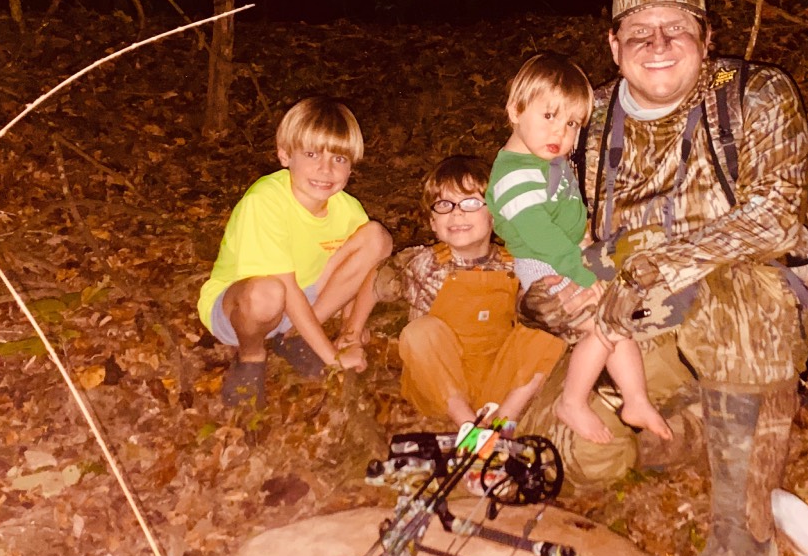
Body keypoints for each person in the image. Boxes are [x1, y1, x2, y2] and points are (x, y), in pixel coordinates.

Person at [516, 0, 808, 556]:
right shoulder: (583, 122)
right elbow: (538, 224)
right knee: (576, 450)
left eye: (677, 28)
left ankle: (744, 540)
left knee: (749, 298)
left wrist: (657, 263)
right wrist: (547, 294)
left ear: (707, 38)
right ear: (613, 45)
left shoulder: (757, 96)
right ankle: (697, 431)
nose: (658, 45)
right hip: (633, 326)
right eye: (639, 30)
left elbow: (775, 216)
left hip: (742, 311)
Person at [487, 53, 672, 445]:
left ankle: (635, 399)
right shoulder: (514, 177)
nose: (563, 133)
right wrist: (585, 276)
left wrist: (587, 241)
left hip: (570, 253)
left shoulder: (545, 156)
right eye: (550, 116)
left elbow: (566, 216)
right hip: (547, 267)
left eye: (572, 123)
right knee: (603, 324)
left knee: (615, 319)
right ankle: (571, 401)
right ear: (515, 111)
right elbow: (545, 240)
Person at [198, 96, 393, 408]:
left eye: (339, 159)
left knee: (377, 238)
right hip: (242, 308)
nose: (325, 169)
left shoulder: (347, 208)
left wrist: (349, 331)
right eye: (312, 154)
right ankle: (251, 357)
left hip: (307, 297)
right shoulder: (265, 200)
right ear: (285, 155)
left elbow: (366, 266)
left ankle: (292, 337)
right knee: (268, 292)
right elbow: (285, 288)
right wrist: (332, 357)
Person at [373, 155, 565, 429]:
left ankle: (503, 423)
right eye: (444, 205)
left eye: (472, 203)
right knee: (419, 332)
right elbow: (374, 283)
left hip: (498, 385)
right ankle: (468, 426)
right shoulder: (422, 263)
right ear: (432, 222)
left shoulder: (516, 263)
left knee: (547, 323)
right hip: (441, 391)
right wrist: (353, 331)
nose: (457, 213)